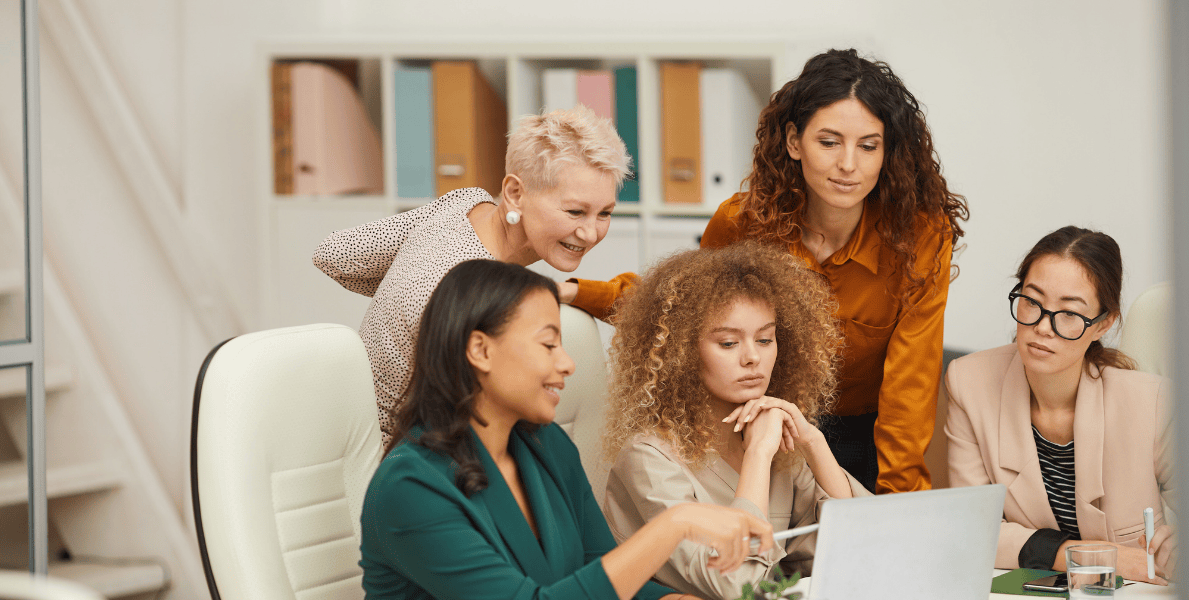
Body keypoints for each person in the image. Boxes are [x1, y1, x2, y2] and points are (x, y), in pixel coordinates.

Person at [561, 49, 968, 494]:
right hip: (756, 426)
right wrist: (573, 291)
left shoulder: (921, 237)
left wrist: (897, 508)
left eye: (868, 146)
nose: (848, 165)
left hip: (868, 438)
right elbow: (679, 305)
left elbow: (910, 388)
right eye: (829, 142)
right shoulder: (742, 222)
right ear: (794, 142)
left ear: (887, 151)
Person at [359, 259, 776, 600]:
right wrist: (676, 525)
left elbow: (602, 576)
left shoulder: (547, 446)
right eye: (548, 344)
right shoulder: (410, 486)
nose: (567, 364)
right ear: (480, 350)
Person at [314, 106, 628, 444]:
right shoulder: (479, 297)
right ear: (515, 194)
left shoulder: (463, 204)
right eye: (575, 211)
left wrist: (404, 295)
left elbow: (335, 254)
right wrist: (419, 301)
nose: (591, 233)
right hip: (412, 460)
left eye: (605, 213)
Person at [601, 242, 872, 600]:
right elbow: (737, 586)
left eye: (765, 339)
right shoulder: (648, 459)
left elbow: (865, 550)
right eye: (728, 343)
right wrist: (758, 456)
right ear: (681, 352)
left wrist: (813, 443)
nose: (752, 358)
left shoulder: (784, 447)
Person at [945, 226, 1175, 584]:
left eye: (1069, 313)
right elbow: (971, 529)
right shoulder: (968, 383)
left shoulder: (1154, 402)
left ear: (1104, 324)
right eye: (1032, 301)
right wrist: (1095, 557)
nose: (1043, 327)